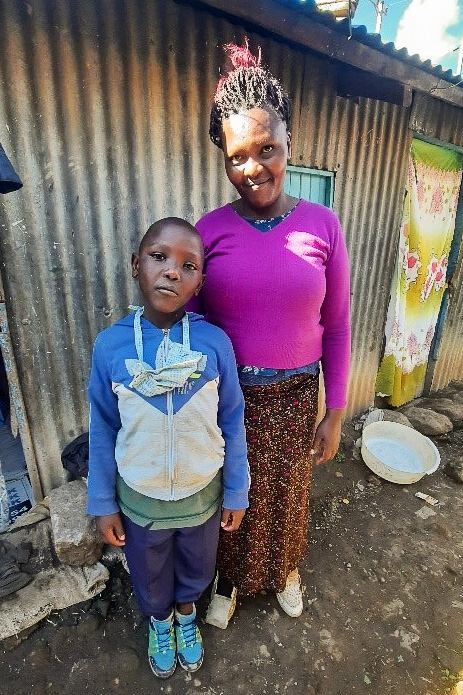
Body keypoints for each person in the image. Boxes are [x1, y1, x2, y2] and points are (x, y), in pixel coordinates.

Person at [189, 42, 350, 625]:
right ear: (223, 159)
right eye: (237, 156)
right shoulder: (207, 231)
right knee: (235, 493)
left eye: (267, 149)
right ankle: (229, 581)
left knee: (288, 493)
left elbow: (338, 324)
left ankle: (285, 571)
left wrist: (335, 412)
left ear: (288, 144)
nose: (253, 168)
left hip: (297, 396)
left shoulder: (323, 225)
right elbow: (192, 327)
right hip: (230, 400)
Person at [87, 217, 249, 677]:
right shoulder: (111, 346)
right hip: (141, 499)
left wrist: (236, 490)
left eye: (188, 265)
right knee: (149, 570)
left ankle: (186, 616)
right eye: (159, 257)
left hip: (202, 494)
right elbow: (102, 427)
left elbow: (232, 420)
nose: (172, 271)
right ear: (135, 265)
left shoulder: (214, 343)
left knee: (198, 565)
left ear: (200, 282)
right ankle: (160, 622)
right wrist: (102, 502)